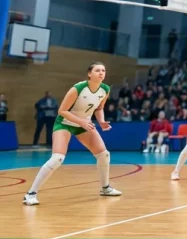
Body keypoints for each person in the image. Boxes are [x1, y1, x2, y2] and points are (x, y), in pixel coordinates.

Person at [23, 62, 121, 205]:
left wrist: (101, 121)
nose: (101, 73)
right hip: (65, 123)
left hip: (84, 124)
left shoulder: (105, 89)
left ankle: (105, 188)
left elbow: (99, 108)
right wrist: (81, 121)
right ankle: (30, 194)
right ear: (89, 74)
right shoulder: (78, 88)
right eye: (97, 70)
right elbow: (62, 111)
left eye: (103, 70)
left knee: (104, 154)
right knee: (57, 158)